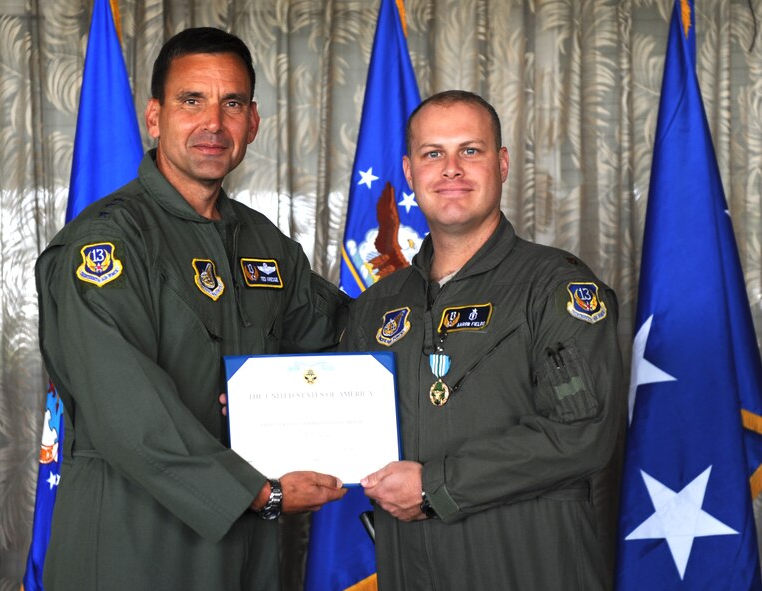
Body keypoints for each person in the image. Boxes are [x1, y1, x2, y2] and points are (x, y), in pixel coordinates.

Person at [35, 27, 347, 590]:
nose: (213, 123)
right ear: (155, 118)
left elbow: (344, 338)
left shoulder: (265, 243)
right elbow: (126, 410)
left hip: (248, 551)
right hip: (135, 543)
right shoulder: (106, 245)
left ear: (253, 122)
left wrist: (443, 284)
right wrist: (261, 493)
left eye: (232, 103)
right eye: (191, 100)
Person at [347, 90, 626, 590]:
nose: (451, 169)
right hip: (411, 565)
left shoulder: (556, 287)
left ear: (501, 165)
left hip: (531, 562)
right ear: (410, 173)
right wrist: (253, 410)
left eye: (470, 151)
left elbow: (582, 434)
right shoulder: (377, 305)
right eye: (434, 153)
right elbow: (338, 415)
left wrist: (435, 487)